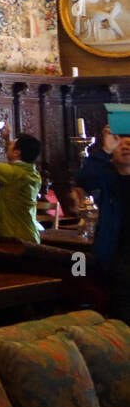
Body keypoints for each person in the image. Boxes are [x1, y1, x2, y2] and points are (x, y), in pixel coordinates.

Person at [75, 125, 130, 321]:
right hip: (117, 257)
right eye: (120, 142)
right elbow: (83, 179)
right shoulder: (106, 176)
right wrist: (104, 150)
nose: (126, 146)